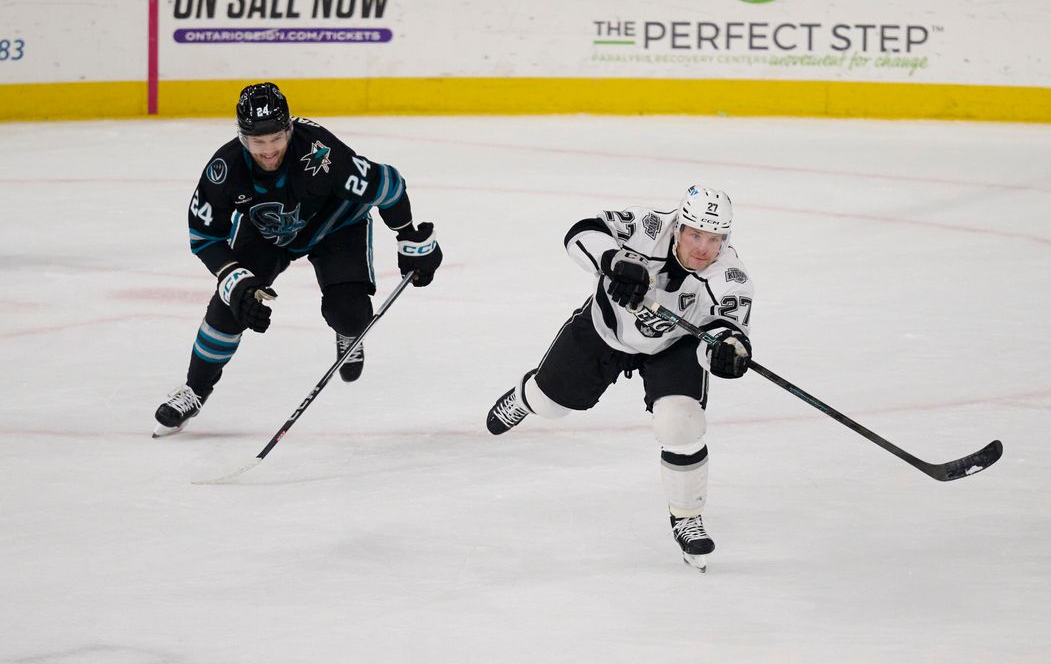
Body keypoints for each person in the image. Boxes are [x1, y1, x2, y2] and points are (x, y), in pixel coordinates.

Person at [485, 186, 754, 572]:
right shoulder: (648, 227)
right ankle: (526, 398)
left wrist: (728, 351)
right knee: (551, 404)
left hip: (674, 347)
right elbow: (581, 232)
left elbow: (726, 332)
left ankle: (686, 516)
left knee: (680, 421)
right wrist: (613, 259)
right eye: (695, 234)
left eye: (714, 239)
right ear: (679, 227)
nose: (702, 248)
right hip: (605, 331)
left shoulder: (730, 275)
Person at [153, 82, 443, 437]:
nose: (269, 150)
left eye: (276, 138)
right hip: (267, 234)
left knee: (351, 315)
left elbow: (388, 185)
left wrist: (409, 235)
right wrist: (234, 278)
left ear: (288, 128)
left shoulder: (320, 152)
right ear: (242, 137)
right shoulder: (225, 169)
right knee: (230, 307)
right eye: (258, 142)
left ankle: (347, 333)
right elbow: (204, 235)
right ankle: (195, 390)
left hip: (337, 225)